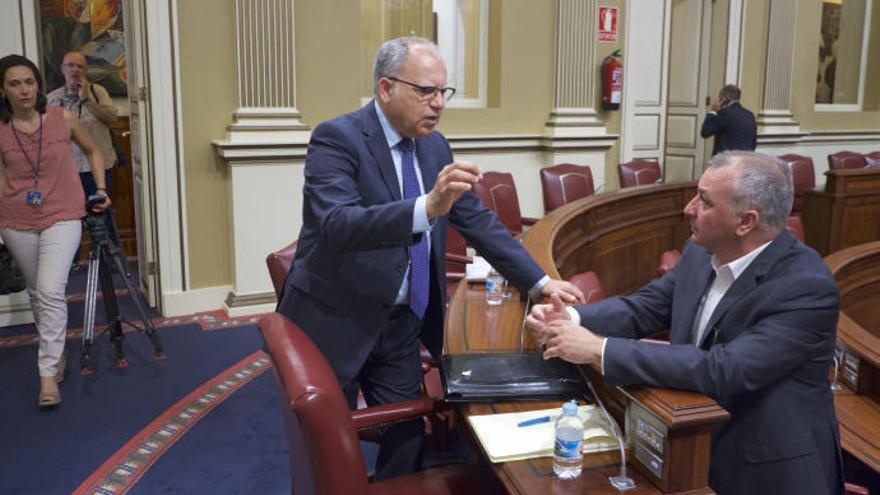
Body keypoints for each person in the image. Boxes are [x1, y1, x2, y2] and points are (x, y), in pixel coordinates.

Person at [276, 37, 584, 479]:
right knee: (325, 451)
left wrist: (539, 282)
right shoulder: (337, 138)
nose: (438, 104)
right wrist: (426, 209)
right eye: (425, 91)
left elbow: (478, 221)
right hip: (334, 321)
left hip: (400, 321)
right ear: (385, 88)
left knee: (406, 436)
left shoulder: (435, 146)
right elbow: (337, 224)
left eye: (444, 92)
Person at [527, 151, 844, 494]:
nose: (688, 208)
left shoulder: (806, 286)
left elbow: (727, 369)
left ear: (746, 222)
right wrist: (571, 317)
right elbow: (645, 308)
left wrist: (598, 349)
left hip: (769, 471)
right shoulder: (699, 251)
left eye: (704, 202)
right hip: (697, 447)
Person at [0, 54, 111, 408]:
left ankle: (47, 372)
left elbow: (93, 150)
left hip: (63, 213)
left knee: (50, 288)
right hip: (16, 219)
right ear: (3, 90)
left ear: (38, 84)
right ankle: (57, 351)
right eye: (14, 84)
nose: (24, 90)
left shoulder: (62, 118)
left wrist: (102, 188)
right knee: (36, 291)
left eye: (29, 81)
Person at [47, 52, 119, 264]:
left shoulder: (98, 92)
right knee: (70, 218)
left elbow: (112, 118)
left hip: (98, 167)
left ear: (85, 70)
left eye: (80, 67)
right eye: (70, 66)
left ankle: (111, 262)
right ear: (62, 69)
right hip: (67, 170)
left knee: (103, 215)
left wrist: (87, 100)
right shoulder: (51, 99)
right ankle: (72, 262)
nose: (75, 70)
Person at [700, 84, 757, 156]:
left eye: (720, 97)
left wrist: (713, 111)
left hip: (726, 162)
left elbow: (705, 132)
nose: (718, 100)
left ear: (725, 99)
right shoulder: (750, 115)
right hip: (744, 161)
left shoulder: (724, 114)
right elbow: (753, 142)